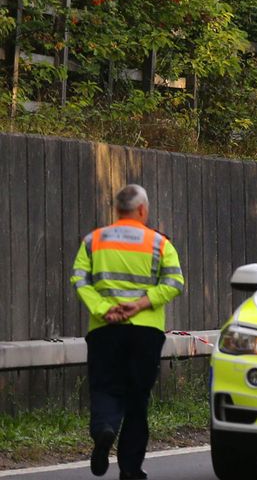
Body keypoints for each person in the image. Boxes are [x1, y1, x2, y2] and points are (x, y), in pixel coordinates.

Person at [70, 184, 185, 479]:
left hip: (104, 329)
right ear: (143, 209)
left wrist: (103, 309)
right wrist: (140, 304)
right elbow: (174, 283)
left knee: (105, 387)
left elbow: (80, 279)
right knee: (137, 400)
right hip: (145, 331)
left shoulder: (93, 241)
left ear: (117, 209)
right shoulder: (159, 243)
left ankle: (104, 429)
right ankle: (130, 470)